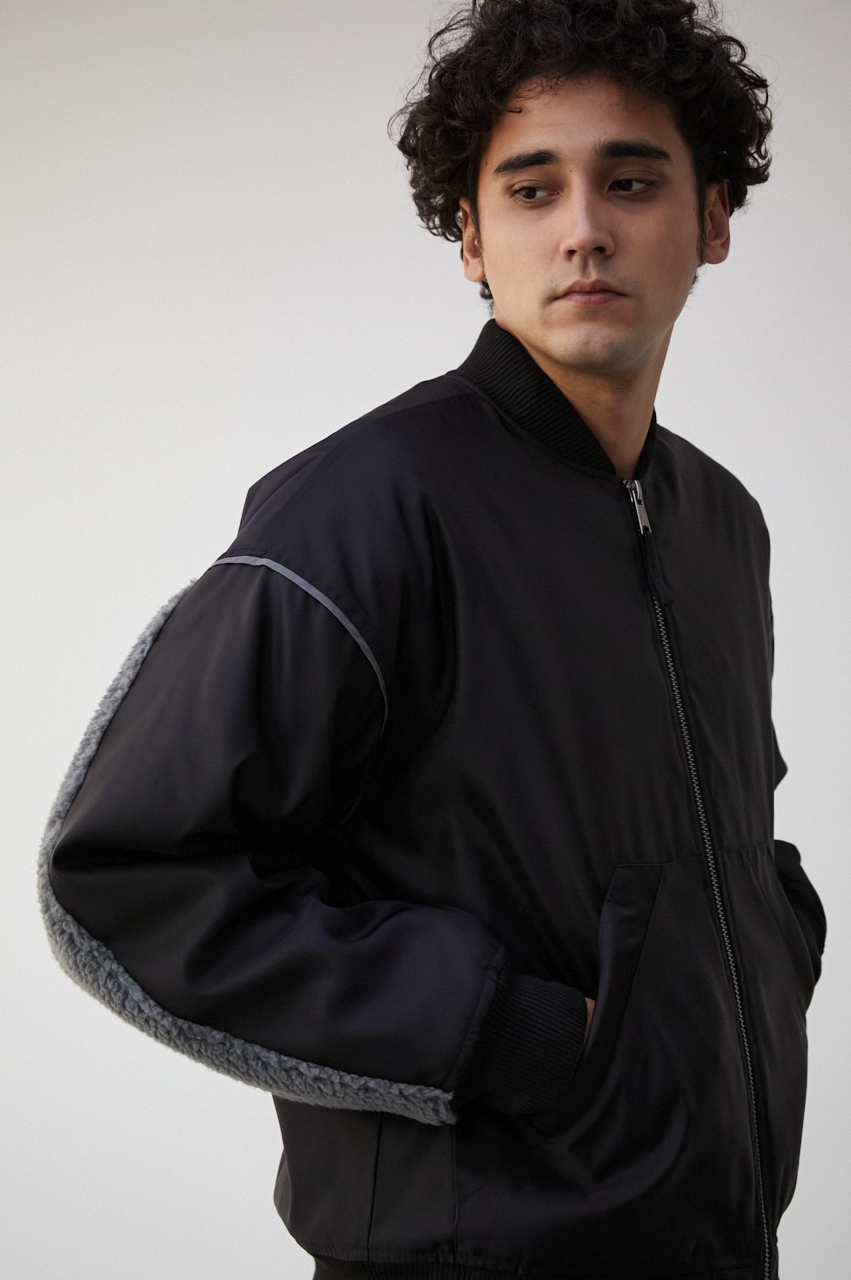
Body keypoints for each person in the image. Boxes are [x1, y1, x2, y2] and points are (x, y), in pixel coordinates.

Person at [40, 1, 826, 1277]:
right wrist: (508, 1031)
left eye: (631, 180)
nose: (583, 227)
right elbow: (125, 878)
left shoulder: (720, 523)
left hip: (717, 1239)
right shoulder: (369, 504)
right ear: (470, 237)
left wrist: (773, 939)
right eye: (531, 188)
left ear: (713, 218)